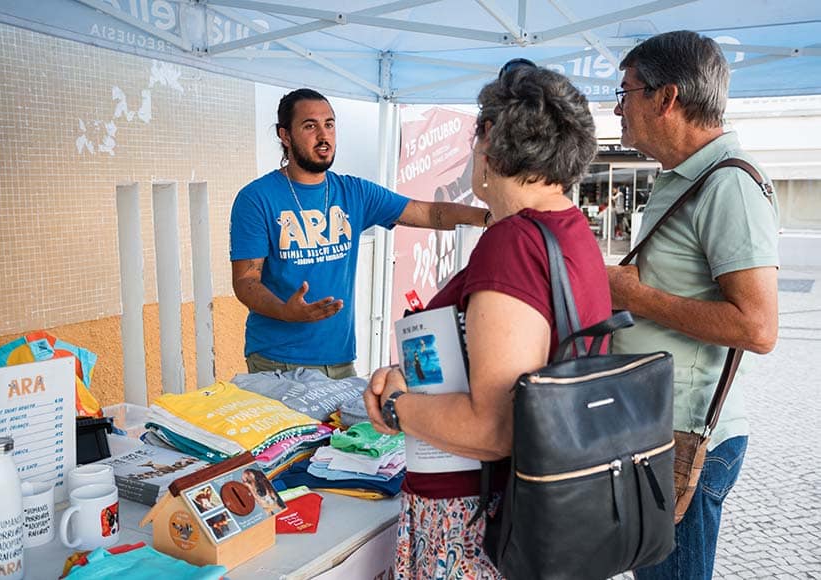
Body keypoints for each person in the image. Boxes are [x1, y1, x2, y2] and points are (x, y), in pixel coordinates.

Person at [364, 61, 611, 577]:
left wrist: (397, 406)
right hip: (525, 513)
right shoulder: (566, 228)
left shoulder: (514, 243)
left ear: (491, 137)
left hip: (475, 522)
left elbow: (494, 426)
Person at [605, 31, 779, 580]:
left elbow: (757, 327)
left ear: (666, 97)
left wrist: (636, 296)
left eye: (626, 90)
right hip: (655, 427)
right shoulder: (686, 178)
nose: (617, 106)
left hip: (686, 438)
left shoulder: (729, 185)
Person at [230, 88, 490, 380]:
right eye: (310, 126)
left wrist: (491, 217)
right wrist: (285, 311)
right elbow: (245, 281)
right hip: (277, 363)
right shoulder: (255, 198)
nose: (323, 135)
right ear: (285, 136)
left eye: (329, 124)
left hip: (340, 364)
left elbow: (427, 213)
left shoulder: (355, 193)